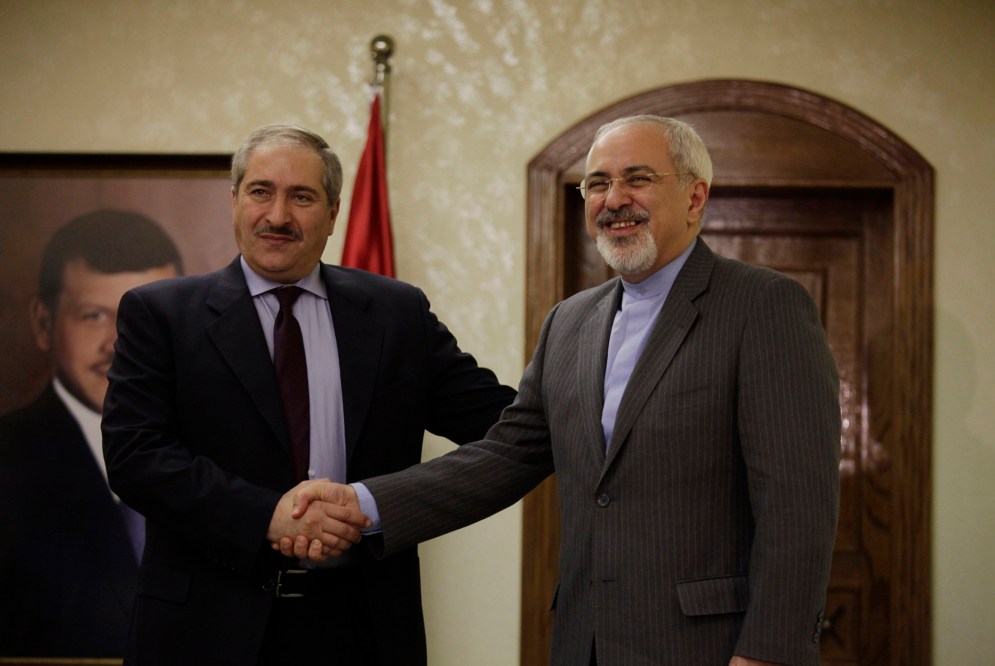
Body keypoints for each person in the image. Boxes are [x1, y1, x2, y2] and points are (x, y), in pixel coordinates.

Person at [287, 115, 842, 666]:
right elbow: (508, 454)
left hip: (709, 647)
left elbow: (797, 503)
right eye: (597, 183)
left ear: (695, 197)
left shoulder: (763, 306)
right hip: (585, 641)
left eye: (638, 179)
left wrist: (772, 652)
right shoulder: (570, 322)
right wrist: (361, 503)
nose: (613, 198)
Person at [101, 124, 516, 665]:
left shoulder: (395, 314)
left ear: (333, 213)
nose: (278, 216)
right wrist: (265, 515)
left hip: (361, 626)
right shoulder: (160, 314)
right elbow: (136, 459)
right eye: (260, 192)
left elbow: (504, 425)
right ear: (234, 201)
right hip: (206, 627)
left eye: (302, 196)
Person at [0, 209, 182, 658]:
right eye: (95, 315)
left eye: (148, 317)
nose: (121, 344)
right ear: (44, 323)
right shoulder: (7, 459)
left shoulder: (221, 451)